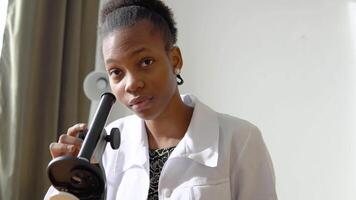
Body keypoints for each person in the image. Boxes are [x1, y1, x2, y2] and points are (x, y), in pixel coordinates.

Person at [45, 0, 277, 199]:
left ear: (174, 60)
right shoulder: (102, 146)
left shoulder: (240, 139)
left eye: (145, 62)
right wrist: (67, 181)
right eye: (116, 72)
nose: (132, 83)